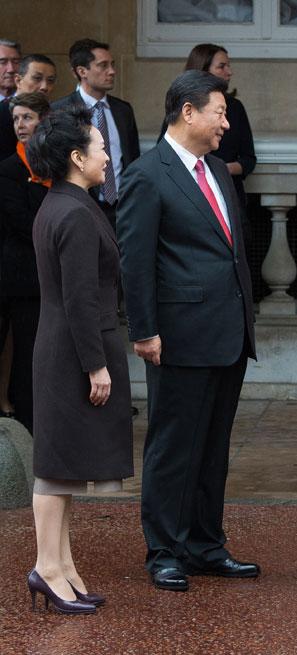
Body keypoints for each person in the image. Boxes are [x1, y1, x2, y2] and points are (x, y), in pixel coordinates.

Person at [117, 70, 257, 592]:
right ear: (187, 112)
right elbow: (135, 260)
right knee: (174, 445)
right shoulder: (146, 173)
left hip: (228, 332)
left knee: (213, 445)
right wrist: (145, 329)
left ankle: (205, 544)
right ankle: (165, 550)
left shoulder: (218, 169)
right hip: (178, 334)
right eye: (219, 112)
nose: (226, 122)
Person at [26, 106, 133, 614]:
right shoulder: (70, 211)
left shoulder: (66, 203)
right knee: (54, 468)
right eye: (99, 147)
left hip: (65, 345)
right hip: (71, 350)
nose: (107, 155)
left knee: (64, 469)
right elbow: (80, 298)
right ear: (76, 157)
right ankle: (48, 567)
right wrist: (96, 365)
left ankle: (63, 566)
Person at [160, 43, 256, 243]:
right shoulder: (181, 109)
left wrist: (218, 169)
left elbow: (249, 159)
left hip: (229, 198)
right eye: (221, 66)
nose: (225, 124)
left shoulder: (236, 108)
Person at [0, 92, 50, 432]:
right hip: (24, 273)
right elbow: (20, 220)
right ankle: (27, 421)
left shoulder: (58, 165)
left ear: (44, 121)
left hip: (55, 270)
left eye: (27, 117)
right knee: (27, 348)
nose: (20, 125)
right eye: (16, 118)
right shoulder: (9, 168)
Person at [52, 39, 140, 231]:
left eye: (113, 65)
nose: (112, 71)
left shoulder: (123, 110)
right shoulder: (61, 110)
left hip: (122, 208)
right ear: (82, 71)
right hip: (81, 206)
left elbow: (133, 159)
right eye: (103, 65)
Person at [0, 54, 57, 161]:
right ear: (18, 81)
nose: (44, 87)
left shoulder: (58, 114)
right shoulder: (2, 112)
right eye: (37, 78)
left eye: (50, 80)